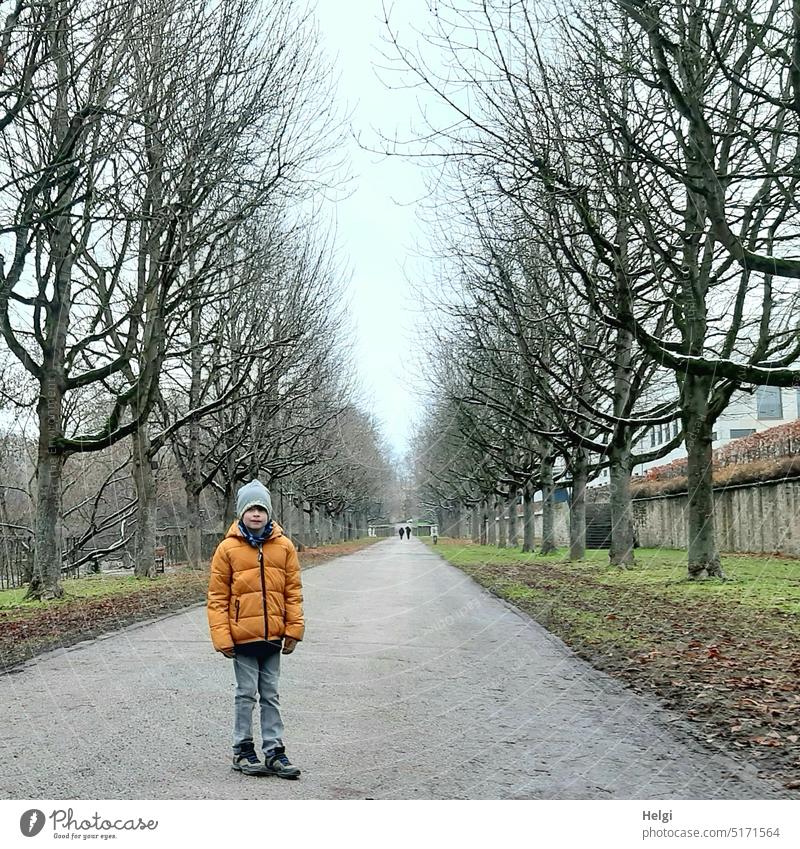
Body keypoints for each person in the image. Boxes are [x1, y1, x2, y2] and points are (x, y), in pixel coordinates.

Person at [207, 479, 304, 779]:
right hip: (242, 639)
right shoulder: (227, 549)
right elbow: (217, 596)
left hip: (274, 637)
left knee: (271, 694)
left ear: (269, 512)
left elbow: (293, 591)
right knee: (246, 694)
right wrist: (222, 636)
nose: (257, 514)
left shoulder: (284, 546)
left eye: (262, 508)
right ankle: (243, 749)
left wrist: (294, 629)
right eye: (251, 509)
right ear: (240, 513)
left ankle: (275, 751)